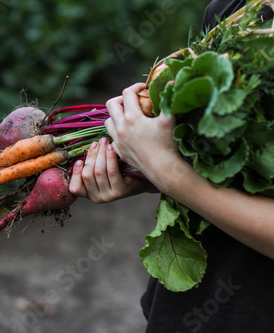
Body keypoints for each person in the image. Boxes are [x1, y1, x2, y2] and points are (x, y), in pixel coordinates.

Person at [69, 1, 274, 332]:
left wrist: (167, 172)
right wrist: (144, 166)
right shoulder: (238, 9)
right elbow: (213, 153)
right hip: (185, 310)